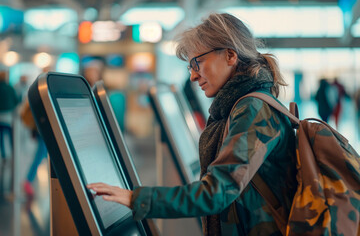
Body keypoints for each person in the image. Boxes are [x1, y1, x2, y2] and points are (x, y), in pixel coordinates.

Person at [88, 13, 296, 235]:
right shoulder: (237, 107)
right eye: (190, 67)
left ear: (230, 55)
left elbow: (216, 192)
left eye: (197, 62)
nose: (193, 77)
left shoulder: (253, 109)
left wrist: (136, 198)